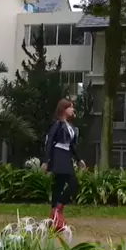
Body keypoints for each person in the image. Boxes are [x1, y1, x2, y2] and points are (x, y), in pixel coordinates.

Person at [42, 99, 86, 231]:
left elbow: (72, 145)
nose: (73, 109)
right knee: (73, 183)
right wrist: (46, 161)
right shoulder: (58, 124)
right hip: (59, 156)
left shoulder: (70, 126)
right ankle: (58, 210)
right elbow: (50, 141)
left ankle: (54, 218)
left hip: (66, 156)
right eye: (70, 107)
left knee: (59, 185)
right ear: (63, 109)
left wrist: (78, 160)